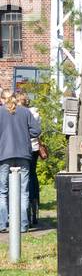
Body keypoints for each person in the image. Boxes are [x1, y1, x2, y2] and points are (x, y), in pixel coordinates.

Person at [0, 91, 40, 235]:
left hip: (4, 154)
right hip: (23, 154)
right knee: (24, 192)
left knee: (2, 192)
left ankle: (2, 224)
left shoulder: (0, 112)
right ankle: (23, 224)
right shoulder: (25, 112)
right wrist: (24, 133)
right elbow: (36, 130)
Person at [15, 92, 42, 228]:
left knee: (23, 180)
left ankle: (23, 212)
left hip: (23, 148)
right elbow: (37, 131)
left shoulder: (18, 114)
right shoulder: (35, 113)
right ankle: (34, 207)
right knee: (33, 176)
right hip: (34, 149)